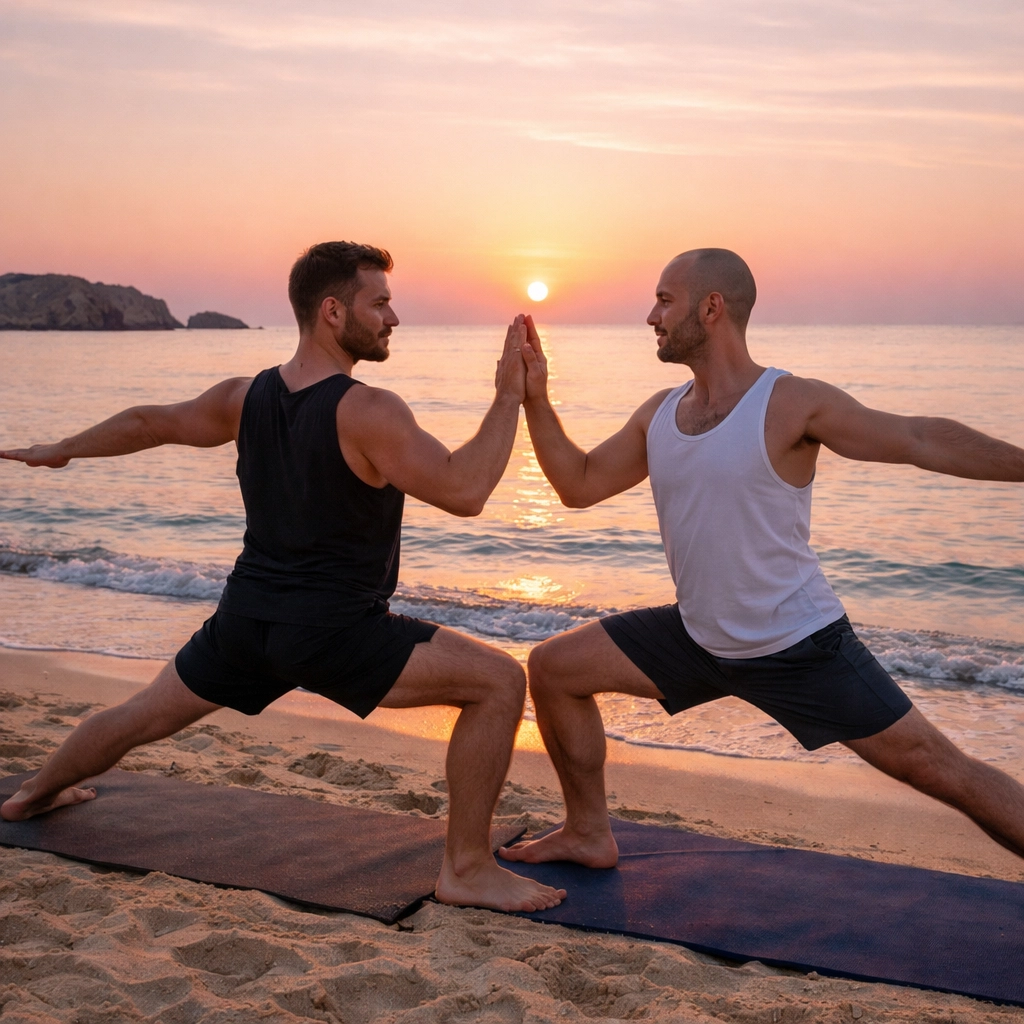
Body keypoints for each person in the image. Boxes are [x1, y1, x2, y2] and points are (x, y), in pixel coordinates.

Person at [0, 240, 564, 913]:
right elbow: (467, 491)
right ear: (333, 311)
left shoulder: (245, 396)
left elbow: (151, 421)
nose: (393, 317)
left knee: (139, 716)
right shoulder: (369, 410)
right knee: (499, 682)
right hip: (333, 633)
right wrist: (509, 397)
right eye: (379, 302)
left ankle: (32, 795)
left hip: (245, 623)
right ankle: (467, 868)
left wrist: (60, 449)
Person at [500, 247, 1024, 870]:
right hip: (698, 637)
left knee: (941, 771)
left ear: (712, 307)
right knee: (556, 668)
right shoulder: (659, 414)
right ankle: (588, 832)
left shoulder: (791, 403)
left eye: (665, 300)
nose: (651, 316)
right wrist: (535, 398)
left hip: (798, 646)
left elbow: (916, 438)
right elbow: (579, 484)